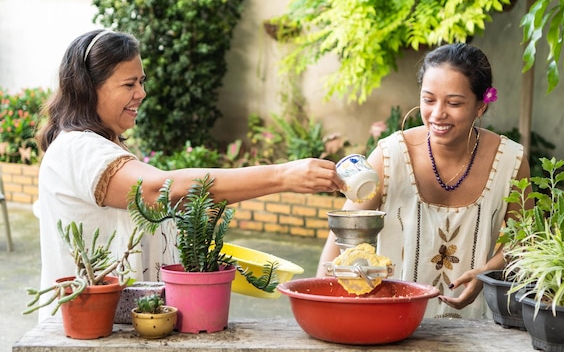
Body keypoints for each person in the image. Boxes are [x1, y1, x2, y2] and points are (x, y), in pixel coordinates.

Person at [36, 29, 345, 322]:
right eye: (129, 84)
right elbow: (158, 191)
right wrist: (282, 176)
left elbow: (169, 206)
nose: (142, 93)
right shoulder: (78, 149)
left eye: (141, 82)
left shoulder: (102, 147)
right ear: (89, 89)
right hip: (83, 334)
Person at [317, 43, 531, 319]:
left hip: (475, 328)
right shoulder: (389, 155)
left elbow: (525, 238)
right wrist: (321, 305)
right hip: (392, 323)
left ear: (480, 105)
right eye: (428, 100)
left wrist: (488, 272)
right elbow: (344, 235)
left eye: (454, 103)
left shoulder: (510, 161)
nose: (438, 113)